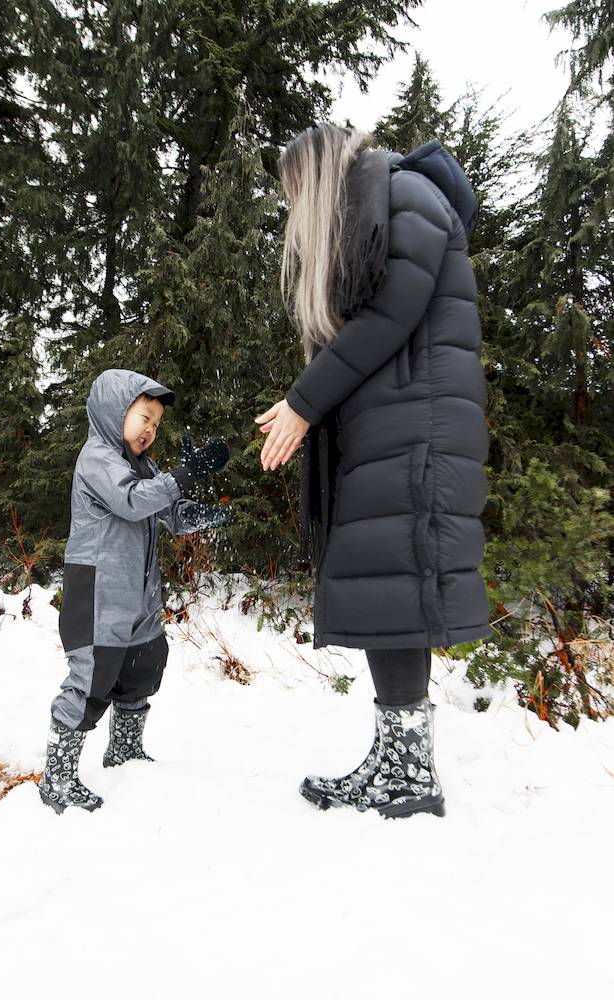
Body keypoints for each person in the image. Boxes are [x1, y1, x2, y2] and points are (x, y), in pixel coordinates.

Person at [255, 124, 493, 820]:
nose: (299, 206)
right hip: (396, 420)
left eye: (299, 189)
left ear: (324, 171)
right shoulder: (381, 206)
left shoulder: (407, 193)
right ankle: (399, 759)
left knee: (395, 578)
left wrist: (304, 403)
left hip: (417, 425)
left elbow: (392, 311)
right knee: (386, 583)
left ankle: (411, 772)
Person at [38, 368, 230, 813]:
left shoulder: (145, 466)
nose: (150, 429)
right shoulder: (98, 459)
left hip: (139, 592)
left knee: (142, 665)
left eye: (156, 423)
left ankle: (124, 751)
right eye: (144, 416)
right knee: (92, 678)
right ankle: (58, 778)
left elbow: (168, 509)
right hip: (99, 591)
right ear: (114, 411)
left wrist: (200, 513)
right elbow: (133, 500)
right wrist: (182, 475)